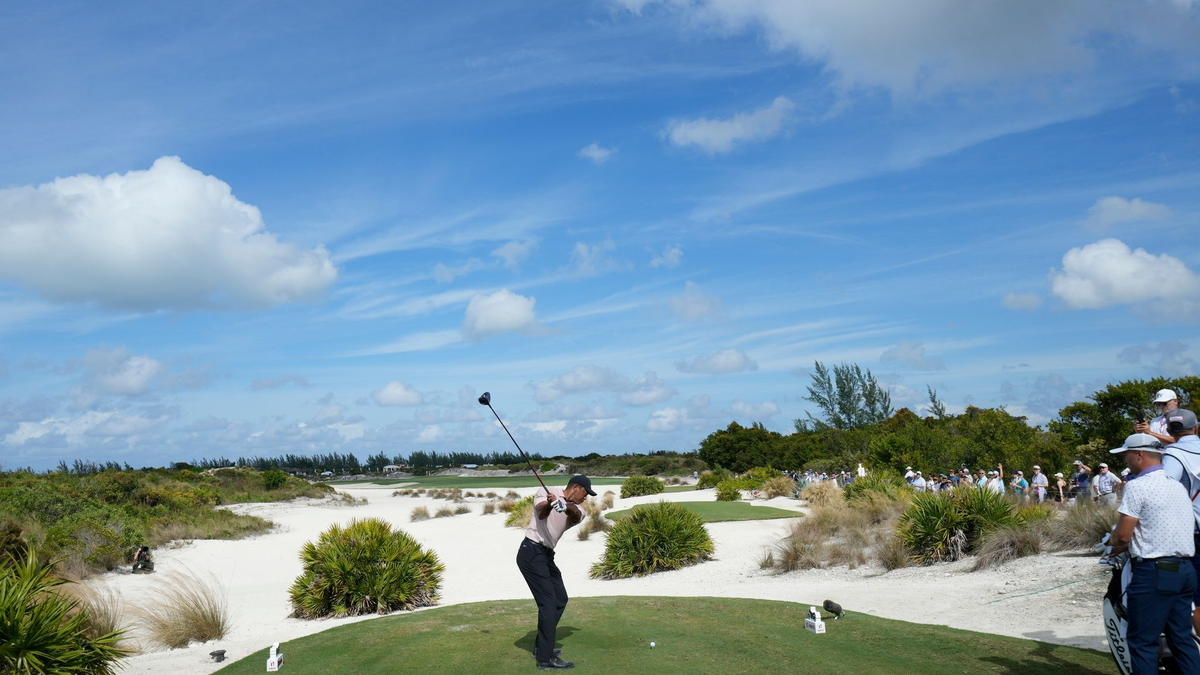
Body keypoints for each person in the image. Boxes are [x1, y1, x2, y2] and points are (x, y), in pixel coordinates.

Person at [1108, 433, 1200, 675]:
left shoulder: (1137, 486)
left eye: (1127, 454)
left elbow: (1123, 536)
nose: (1126, 460)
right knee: (1181, 640)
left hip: (1155, 573)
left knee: (1142, 642)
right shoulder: (1177, 487)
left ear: (1139, 454)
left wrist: (1111, 540)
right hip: (1185, 570)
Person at [517, 475, 596, 670]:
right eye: (585, 493)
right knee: (548, 603)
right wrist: (552, 504)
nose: (585, 498)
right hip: (531, 552)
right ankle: (545, 658)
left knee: (560, 599)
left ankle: (541, 645)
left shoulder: (579, 509)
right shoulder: (545, 492)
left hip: (546, 556)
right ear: (576, 487)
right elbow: (541, 513)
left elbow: (576, 515)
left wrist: (565, 506)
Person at [1161, 409, 1200, 636]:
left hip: (1193, 533)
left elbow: (1165, 489)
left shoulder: (1173, 453)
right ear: (1195, 428)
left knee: (1198, 599)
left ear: (1168, 430)